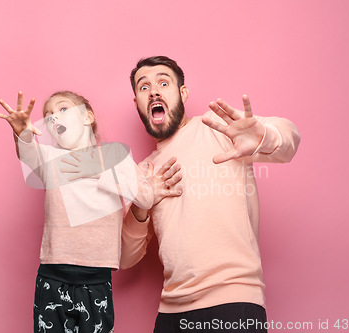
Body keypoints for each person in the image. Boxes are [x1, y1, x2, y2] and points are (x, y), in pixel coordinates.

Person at [120, 56, 301, 332]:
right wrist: (140, 206)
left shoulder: (219, 127)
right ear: (137, 103)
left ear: (183, 93)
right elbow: (124, 259)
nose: (154, 91)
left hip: (235, 302)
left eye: (163, 83)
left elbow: (289, 137)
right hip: (171, 314)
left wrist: (263, 135)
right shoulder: (144, 171)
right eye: (144, 88)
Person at [0, 91, 154, 333]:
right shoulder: (51, 158)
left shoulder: (114, 157)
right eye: (48, 116)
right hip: (52, 275)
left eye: (63, 109)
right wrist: (22, 132)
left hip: (96, 279)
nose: (54, 117)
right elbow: (28, 153)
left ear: (87, 117)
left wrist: (100, 171)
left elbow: (146, 197)